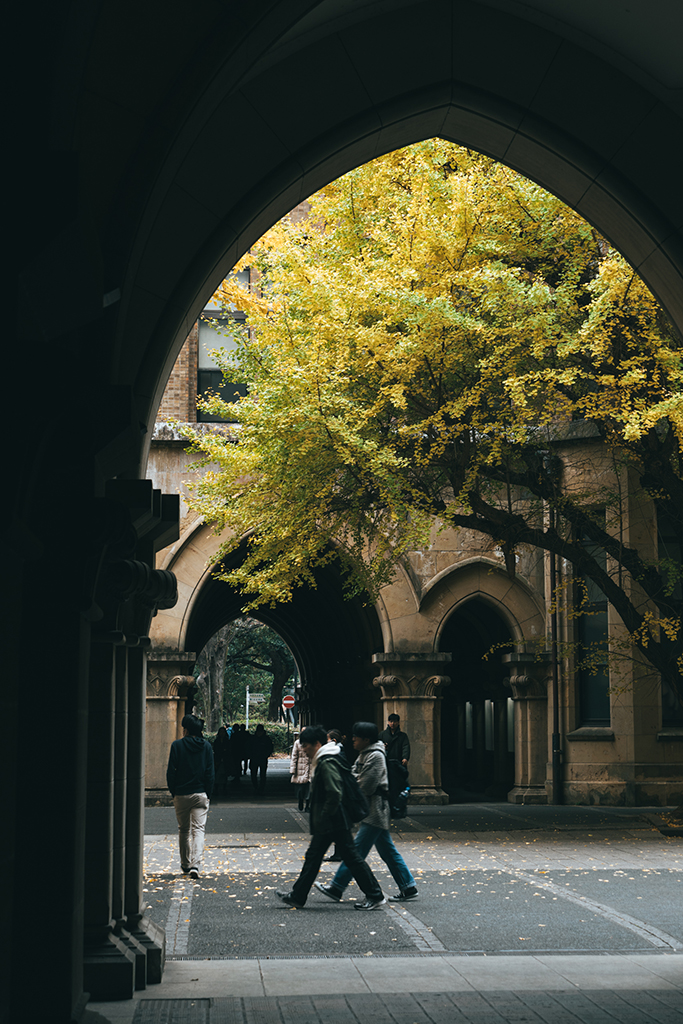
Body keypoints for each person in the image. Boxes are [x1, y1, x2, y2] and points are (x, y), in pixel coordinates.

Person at [276, 725, 385, 910]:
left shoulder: (326, 762)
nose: (306, 752)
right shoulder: (330, 756)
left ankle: (375, 895)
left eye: (307, 747)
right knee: (315, 857)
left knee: (350, 858)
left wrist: (325, 815)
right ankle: (298, 895)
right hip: (333, 819)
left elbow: (334, 793)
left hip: (333, 819)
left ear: (317, 743)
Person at [315, 721, 418, 903]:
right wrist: (354, 779)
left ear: (366, 739)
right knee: (388, 851)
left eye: (356, 736)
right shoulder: (364, 754)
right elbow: (352, 775)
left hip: (375, 810)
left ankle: (337, 886)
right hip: (370, 809)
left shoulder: (375, 756)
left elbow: (366, 785)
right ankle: (408, 886)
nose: (352, 739)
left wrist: (353, 780)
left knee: (355, 850)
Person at [166, 713, 215, 879]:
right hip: (200, 792)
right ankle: (196, 864)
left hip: (181, 793)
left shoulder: (177, 746)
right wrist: (208, 793)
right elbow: (210, 773)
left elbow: (170, 772)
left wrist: (174, 792)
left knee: (184, 830)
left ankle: (185, 864)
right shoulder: (207, 747)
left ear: (186, 730)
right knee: (199, 830)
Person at [249, 723, 274, 795]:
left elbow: (269, 748)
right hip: (256, 758)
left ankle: (260, 788)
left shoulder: (262, 739)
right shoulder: (265, 739)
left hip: (261, 758)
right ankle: (257, 787)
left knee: (262, 774)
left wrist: (265, 755)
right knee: (254, 774)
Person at [289, 731, 311, 811]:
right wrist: (293, 769)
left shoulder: (312, 742)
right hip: (300, 768)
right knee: (301, 788)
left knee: (310, 787)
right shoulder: (297, 743)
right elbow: (294, 756)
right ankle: (301, 800)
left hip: (310, 768)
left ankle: (308, 805)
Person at [212, 725, 231, 797]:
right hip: (218, 759)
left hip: (225, 759)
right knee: (217, 774)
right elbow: (216, 749)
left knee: (224, 774)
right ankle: (216, 788)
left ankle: (224, 788)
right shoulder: (217, 741)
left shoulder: (227, 741)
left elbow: (229, 750)